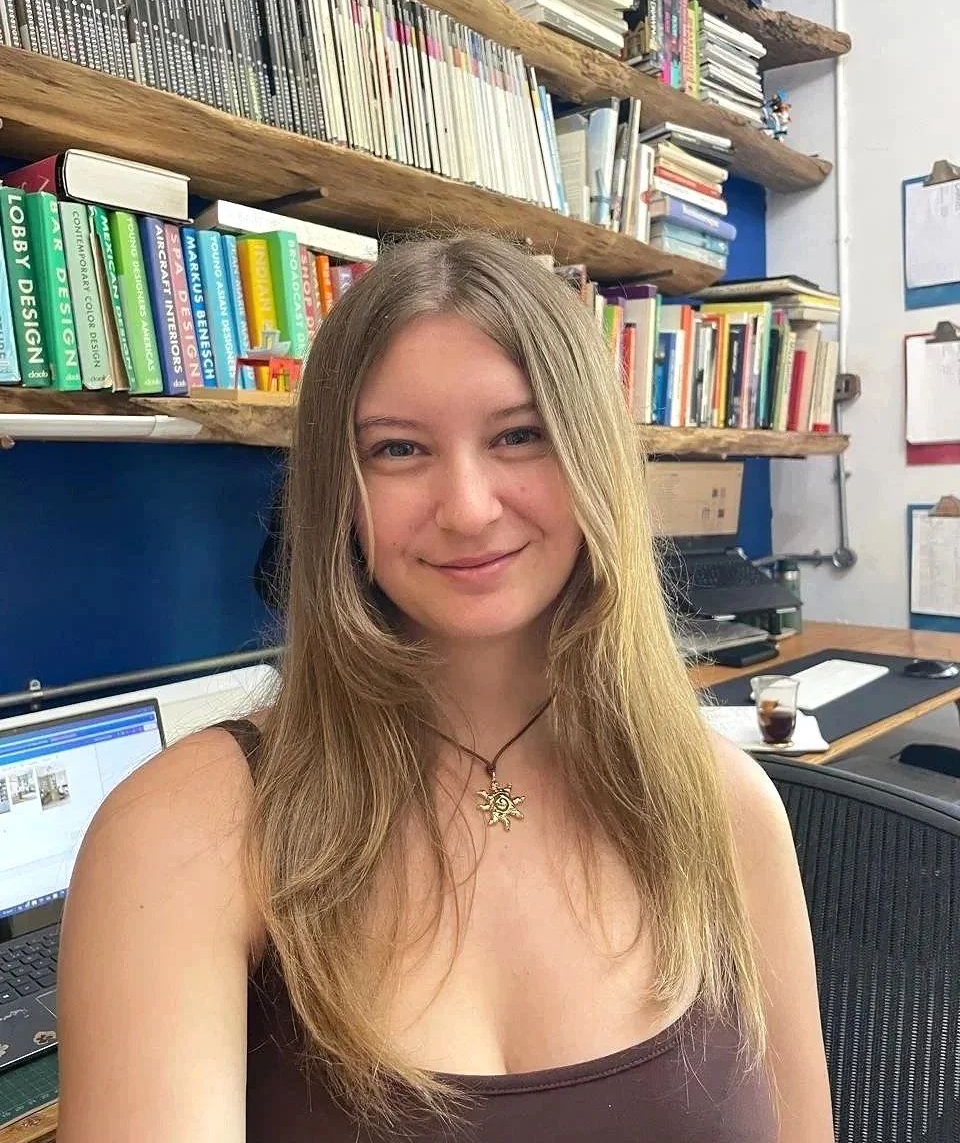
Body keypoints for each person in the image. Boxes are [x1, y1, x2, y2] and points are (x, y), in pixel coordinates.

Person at [55, 233, 833, 1142]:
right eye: (397, 449)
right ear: (338, 494)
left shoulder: (727, 806)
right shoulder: (181, 836)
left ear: (594, 460)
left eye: (519, 435)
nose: (466, 508)